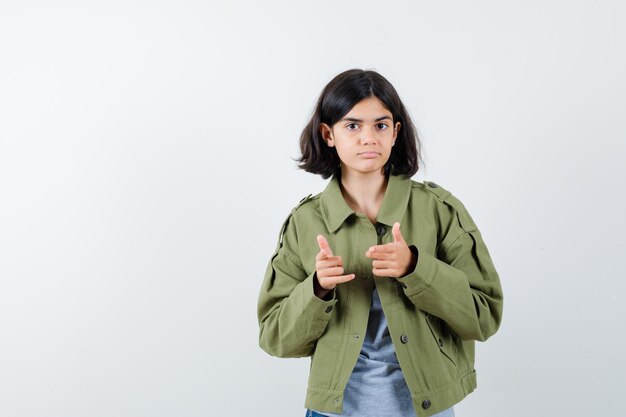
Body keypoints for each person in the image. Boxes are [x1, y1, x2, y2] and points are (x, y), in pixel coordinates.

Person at [257, 69, 504, 417]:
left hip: (426, 409)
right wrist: (317, 289)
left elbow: (485, 316)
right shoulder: (305, 222)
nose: (368, 138)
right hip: (334, 411)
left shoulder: (439, 209)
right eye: (353, 125)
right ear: (328, 134)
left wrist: (416, 269)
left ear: (396, 132)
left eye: (381, 125)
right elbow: (275, 338)